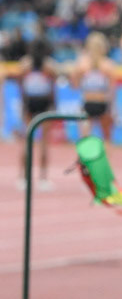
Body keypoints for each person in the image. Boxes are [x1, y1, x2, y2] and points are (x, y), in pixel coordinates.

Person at [16, 39, 59, 190]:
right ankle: (42, 178)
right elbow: (54, 86)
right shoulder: (49, 65)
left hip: (31, 102)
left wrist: (23, 102)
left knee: (28, 141)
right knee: (44, 143)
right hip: (43, 103)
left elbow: (20, 84)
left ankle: (23, 178)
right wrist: (54, 104)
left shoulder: (25, 63)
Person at [72, 31, 118, 144]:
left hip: (88, 103)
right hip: (103, 104)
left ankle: (85, 160)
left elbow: (74, 85)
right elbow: (112, 90)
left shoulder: (82, 63)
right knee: (107, 137)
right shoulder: (109, 64)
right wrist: (113, 109)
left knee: (85, 138)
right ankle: (105, 160)